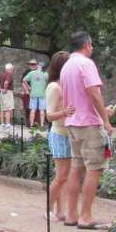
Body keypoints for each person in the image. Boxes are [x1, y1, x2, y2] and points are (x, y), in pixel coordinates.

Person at [60, 31, 115, 229]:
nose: (92, 48)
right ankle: (86, 217)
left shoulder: (67, 66)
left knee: (76, 168)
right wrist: (105, 119)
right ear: (86, 45)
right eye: (91, 45)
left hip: (73, 124)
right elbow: (93, 93)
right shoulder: (86, 64)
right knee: (95, 169)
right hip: (89, 124)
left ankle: (72, 215)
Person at [43, 51, 74, 222]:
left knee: (65, 177)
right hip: (59, 135)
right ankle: (48, 209)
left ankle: (61, 211)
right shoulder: (54, 87)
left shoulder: (67, 86)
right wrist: (64, 112)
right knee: (61, 176)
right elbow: (49, 116)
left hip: (70, 134)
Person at [23, 59, 48, 127]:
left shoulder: (32, 73)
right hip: (42, 94)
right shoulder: (45, 74)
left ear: (38, 66)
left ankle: (31, 125)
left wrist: (28, 87)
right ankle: (42, 125)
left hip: (33, 94)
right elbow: (49, 81)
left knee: (33, 110)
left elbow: (24, 80)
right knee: (42, 110)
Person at [0, 63, 16, 128]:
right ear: (10, 69)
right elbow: (6, 82)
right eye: (12, 69)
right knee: (8, 108)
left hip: (2, 93)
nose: (13, 71)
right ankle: (7, 123)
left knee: (2, 109)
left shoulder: (2, 74)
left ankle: (2, 123)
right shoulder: (9, 75)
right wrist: (5, 89)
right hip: (7, 92)